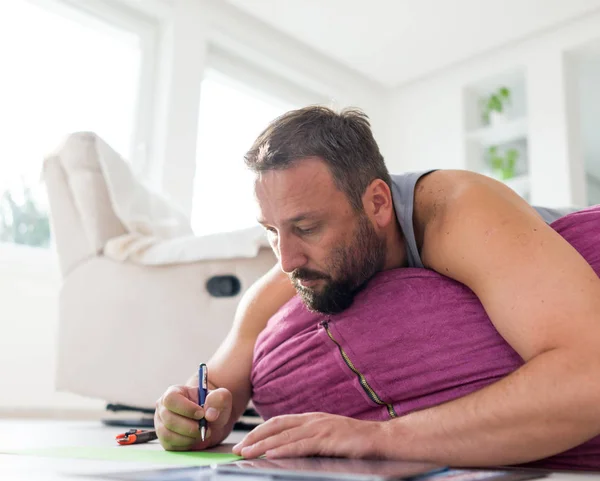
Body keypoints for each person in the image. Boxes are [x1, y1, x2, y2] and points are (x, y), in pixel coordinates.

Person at [154, 106, 600, 469]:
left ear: (378, 203)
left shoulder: (458, 210)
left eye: (306, 227)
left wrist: (382, 436)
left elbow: (590, 376)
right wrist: (189, 415)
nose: (285, 260)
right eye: (271, 230)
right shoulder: (286, 273)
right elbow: (219, 389)